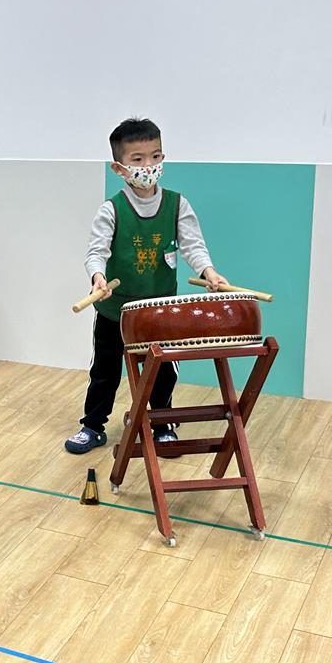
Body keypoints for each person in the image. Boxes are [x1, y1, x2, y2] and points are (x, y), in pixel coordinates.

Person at [64, 118, 227, 454]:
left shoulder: (177, 204)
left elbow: (193, 245)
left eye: (155, 156)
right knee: (105, 371)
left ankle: (162, 424)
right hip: (116, 311)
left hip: (160, 311)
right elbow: (96, 252)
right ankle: (93, 426)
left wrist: (209, 272)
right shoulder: (112, 209)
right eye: (137, 159)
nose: (148, 166)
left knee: (163, 371)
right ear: (119, 168)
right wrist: (97, 277)